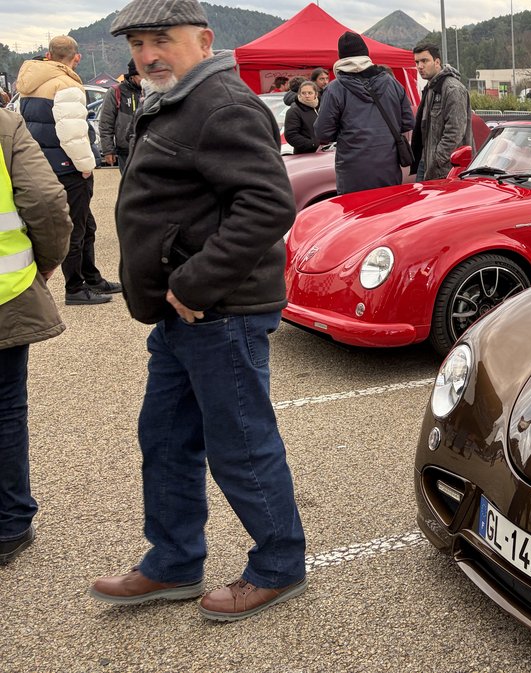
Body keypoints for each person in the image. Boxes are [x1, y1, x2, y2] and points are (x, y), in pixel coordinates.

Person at [88, 0, 307, 621]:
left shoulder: (222, 105)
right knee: (164, 438)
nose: (149, 54)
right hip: (181, 316)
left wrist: (194, 282)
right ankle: (174, 561)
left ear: (204, 40)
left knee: (239, 444)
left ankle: (279, 563)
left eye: (162, 39)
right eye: (137, 44)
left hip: (220, 312)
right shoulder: (174, 101)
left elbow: (267, 206)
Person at [0, 109, 72, 566]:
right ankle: (9, 523)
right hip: (4, 294)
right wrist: (45, 263)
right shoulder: (4, 125)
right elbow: (46, 202)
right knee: (5, 410)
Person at [15, 36, 121, 305]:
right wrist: (85, 166)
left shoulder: (28, 84)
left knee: (86, 223)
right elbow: (73, 133)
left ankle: (91, 277)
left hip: (41, 164)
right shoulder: (68, 83)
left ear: (48, 55)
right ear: (77, 57)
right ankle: (75, 287)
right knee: (77, 227)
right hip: (68, 166)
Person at [315, 31, 413, 194]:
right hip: (389, 168)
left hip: (353, 172)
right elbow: (408, 122)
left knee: (358, 218)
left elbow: (322, 133)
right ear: (366, 54)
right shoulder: (392, 83)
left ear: (341, 58)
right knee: (389, 215)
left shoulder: (335, 89)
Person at [410, 43, 471, 181]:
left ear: (437, 62)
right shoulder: (431, 88)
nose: (420, 66)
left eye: (424, 61)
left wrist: (436, 160)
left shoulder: (452, 89)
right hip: (426, 162)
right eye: (417, 62)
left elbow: (454, 132)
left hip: (445, 169)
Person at [98, 59, 143, 174]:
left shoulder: (153, 90)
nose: (145, 80)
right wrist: (108, 151)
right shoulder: (116, 92)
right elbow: (105, 123)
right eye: (141, 75)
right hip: (125, 151)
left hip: (149, 149)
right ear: (132, 76)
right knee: (129, 187)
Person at [283, 81, 320, 154]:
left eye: (310, 93)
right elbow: (291, 135)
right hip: (304, 155)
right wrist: (312, 144)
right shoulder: (294, 111)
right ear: (299, 94)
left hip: (323, 153)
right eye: (303, 93)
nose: (307, 96)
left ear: (316, 94)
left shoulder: (320, 108)